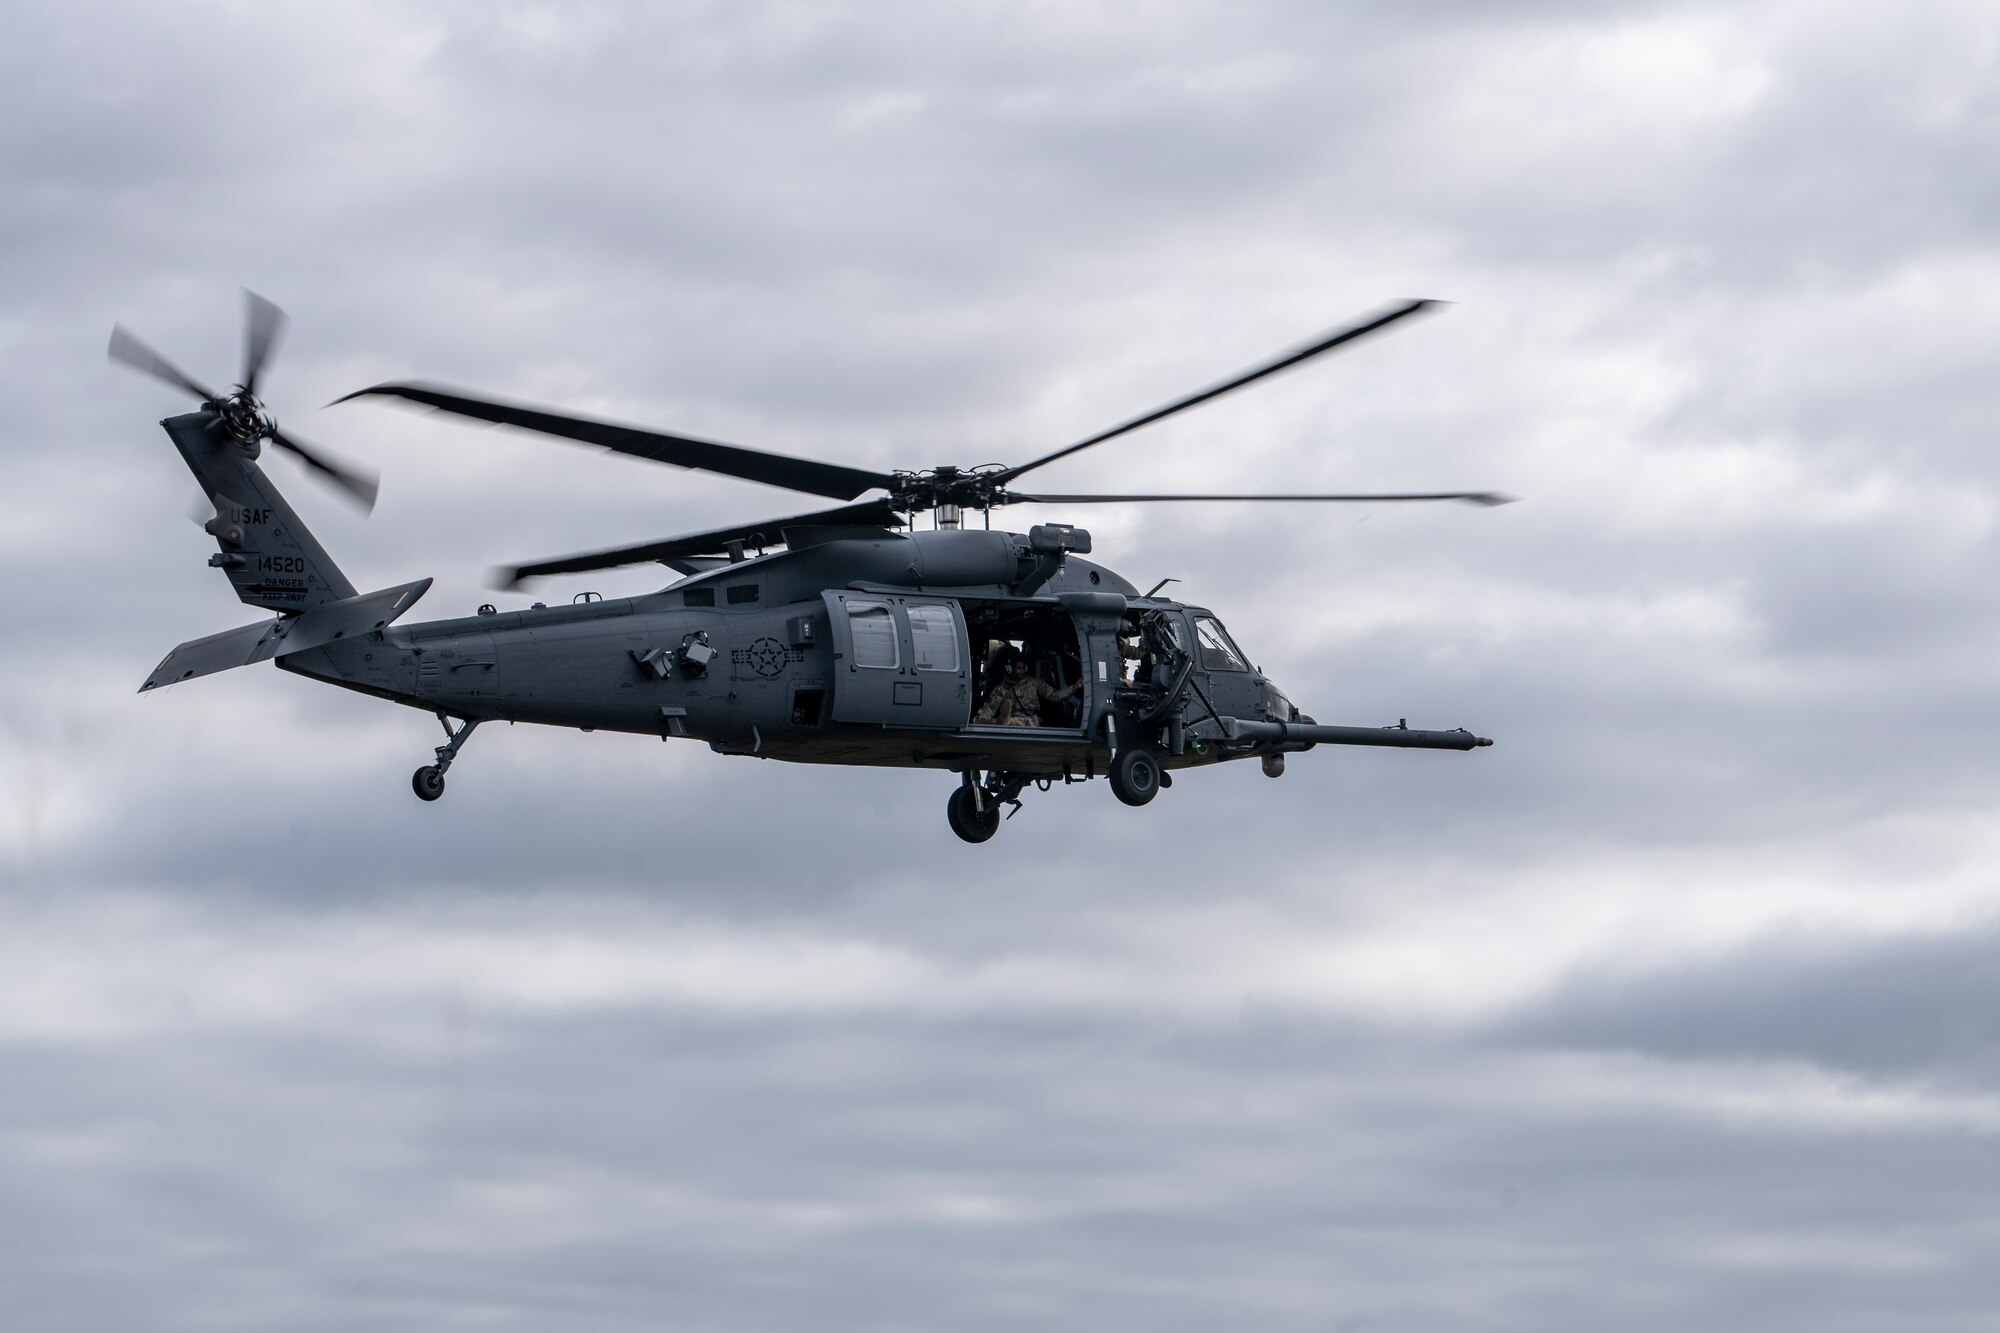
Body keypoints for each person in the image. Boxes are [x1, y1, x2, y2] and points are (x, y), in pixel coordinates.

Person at [974, 646, 1080, 726]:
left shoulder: (1034, 682)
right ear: (1010, 668)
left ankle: (1006, 721)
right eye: (1018, 668)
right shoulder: (1003, 687)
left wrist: (1074, 687)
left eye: (1023, 668)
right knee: (1001, 722)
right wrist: (980, 720)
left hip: (1032, 720)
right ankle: (1004, 721)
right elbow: (989, 708)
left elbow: (1054, 695)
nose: (1021, 671)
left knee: (1015, 722)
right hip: (1013, 718)